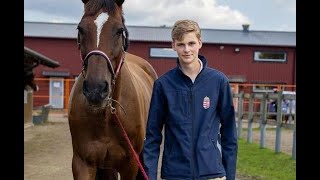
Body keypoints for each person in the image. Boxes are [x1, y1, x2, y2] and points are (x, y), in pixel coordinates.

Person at [143, 19, 238, 180]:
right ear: (173, 45)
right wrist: (150, 176)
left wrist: (229, 176)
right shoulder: (163, 85)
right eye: (181, 44)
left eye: (191, 43)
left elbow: (229, 133)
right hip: (175, 174)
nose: (187, 49)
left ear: (200, 43)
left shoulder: (218, 81)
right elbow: (152, 137)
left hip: (212, 173)